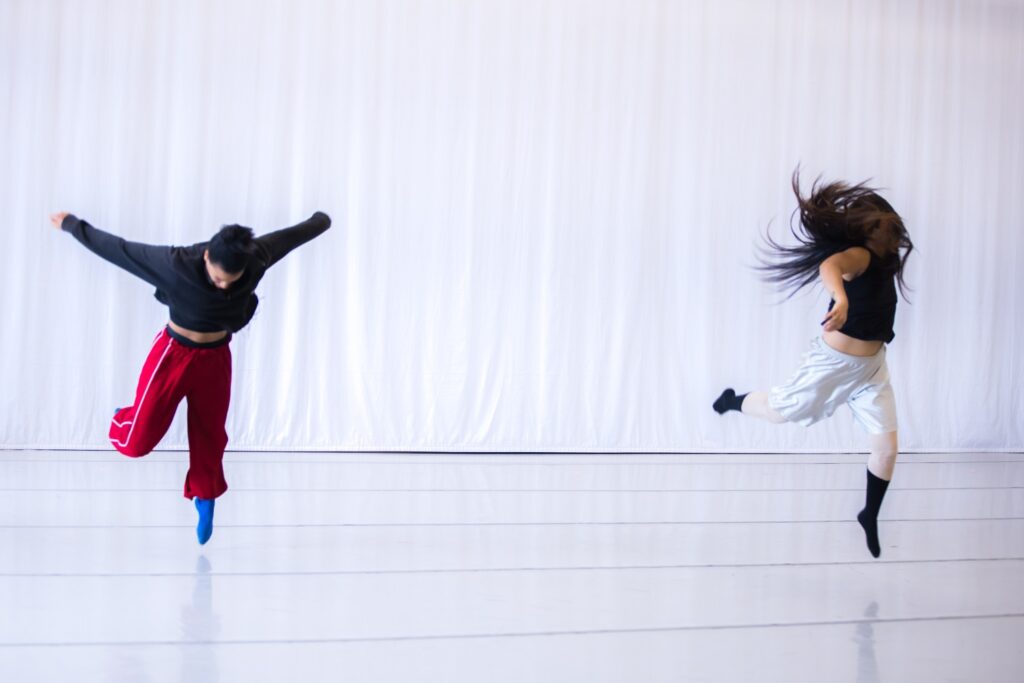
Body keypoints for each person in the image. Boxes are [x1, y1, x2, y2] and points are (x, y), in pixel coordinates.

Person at [50, 209, 332, 544]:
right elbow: (119, 249)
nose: (224, 286)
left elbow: (291, 237)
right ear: (207, 257)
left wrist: (321, 221)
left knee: (210, 434)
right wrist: (72, 225)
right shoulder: (174, 264)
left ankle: (205, 495)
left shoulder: (254, 258)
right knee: (137, 443)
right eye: (218, 280)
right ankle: (125, 418)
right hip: (173, 356)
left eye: (232, 281)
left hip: (216, 358)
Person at [712, 172, 914, 558]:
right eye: (881, 229)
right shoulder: (862, 256)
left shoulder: (886, 261)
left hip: (873, 368)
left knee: (886, 449)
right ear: (868, 231)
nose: (890, 236)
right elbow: (830, 267)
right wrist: (840, 299)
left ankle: (869, 515)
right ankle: (733, 400)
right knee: (777, 413)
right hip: (832, 365)